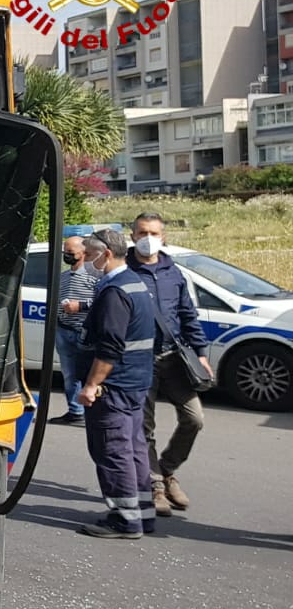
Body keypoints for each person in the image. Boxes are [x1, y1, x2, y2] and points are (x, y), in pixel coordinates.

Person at [75, 227, 159, 540]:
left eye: (90, 254)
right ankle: (142, 514)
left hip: (114, 387)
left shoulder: (115, 292)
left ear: (107, 254)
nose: (85, 260)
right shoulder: (135, 283)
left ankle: (125, 520)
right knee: (134, 449)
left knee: (113, 451)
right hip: (135, 383)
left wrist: (91, 385)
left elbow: (110, 346)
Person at [125, 212, 208, 516]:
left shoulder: (173, 272)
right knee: (144, 428)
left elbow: (188, 315)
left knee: (194, 419)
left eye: (154, 233)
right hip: (138, 360)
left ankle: (168, 468)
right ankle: (156, 485)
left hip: (173, 358)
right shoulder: (125, 271)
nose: (149, 238)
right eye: (143, 232)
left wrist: (200, 353)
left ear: (164, 237)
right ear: (132, 235)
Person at [48, 235, 100, 426]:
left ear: (84, 253)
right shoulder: (63, 277)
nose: (66, 256)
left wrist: (81, 306)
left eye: (70, 253)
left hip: (84, 333)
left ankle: (93, 413)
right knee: (69, 374)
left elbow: (104, 301)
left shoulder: (95, 276)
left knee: (89, 374)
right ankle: (75, 411)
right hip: (64, 331)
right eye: (65, 253)